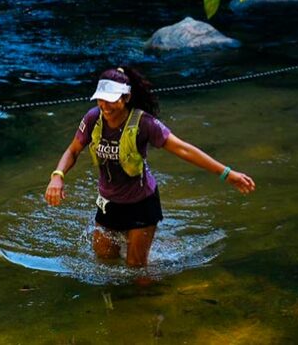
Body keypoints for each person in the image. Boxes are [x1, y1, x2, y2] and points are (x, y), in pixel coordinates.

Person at [44, 66, 256, 268]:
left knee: (137, 269)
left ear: (126, 98)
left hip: (141, 204)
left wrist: (226, 173)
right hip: (108, 203)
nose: (105, 106)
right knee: (103, 261)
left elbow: (183, 149)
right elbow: (72, 150)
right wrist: (58, 175)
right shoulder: (93, 118)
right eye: (101, 99)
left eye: (111, 100)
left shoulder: (145, 124)